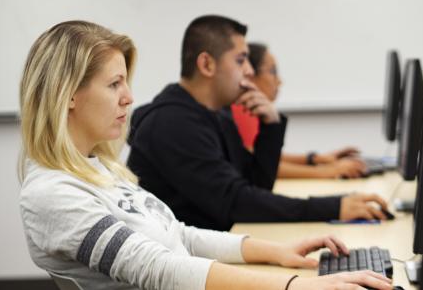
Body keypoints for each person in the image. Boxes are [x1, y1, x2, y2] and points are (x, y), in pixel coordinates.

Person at [17, 20, 393, 290]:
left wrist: (276, 252)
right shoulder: (51, 193)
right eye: (115, 83)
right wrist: (294, 286)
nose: (129, 97)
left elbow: (179, 236)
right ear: (68, 94)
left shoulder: (97, 169)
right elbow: (158, 268)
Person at [127, 15, 390, 232]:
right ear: (207, 64)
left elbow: (256, 185)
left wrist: (270, 127)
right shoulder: (172, 124)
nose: (249, 72)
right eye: (241, 61)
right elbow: (238, 202)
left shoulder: (217, 116)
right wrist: (334, 207)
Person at [231, 42, 366, 179]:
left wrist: (315, 159)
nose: (279, 81)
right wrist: (329, 171)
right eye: (273, 72)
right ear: (250, 75)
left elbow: (264, 156)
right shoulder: (241, 109)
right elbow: (257, 165)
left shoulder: (247, 108)